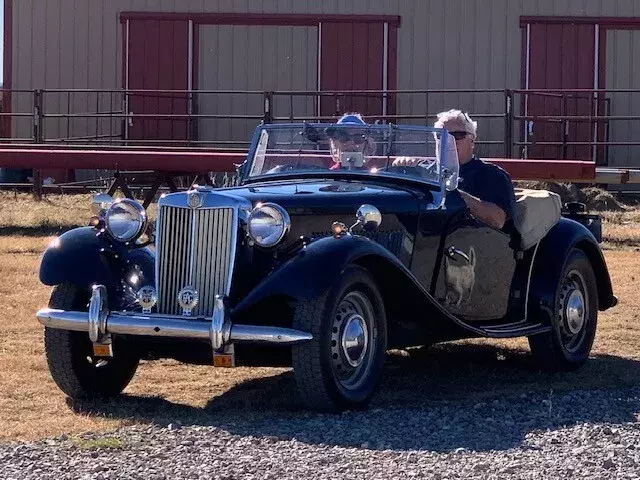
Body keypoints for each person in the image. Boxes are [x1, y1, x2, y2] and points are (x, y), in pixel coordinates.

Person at [395, 109, 516, 230]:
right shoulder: (421, 169)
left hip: (467, 240)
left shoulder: (492, 175)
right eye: (440, 136)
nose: (448, 141)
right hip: (421, 237)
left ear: (472, 140)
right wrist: (401, 171)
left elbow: (497, 220)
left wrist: (453, 193)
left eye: (457, 136)